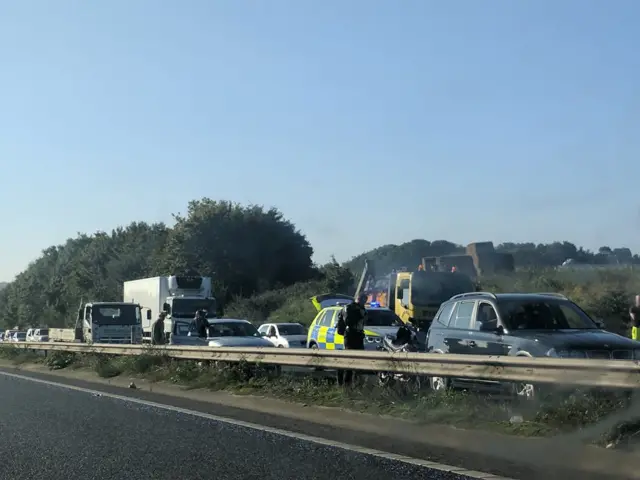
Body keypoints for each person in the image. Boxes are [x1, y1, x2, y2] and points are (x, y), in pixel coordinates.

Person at [336, 293, 368, 387]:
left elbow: (364, 321)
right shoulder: (349, 308)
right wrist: (359, 315)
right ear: (357, 299)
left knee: (359, 361)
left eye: (365, 300)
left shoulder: (362, 309)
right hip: (350, 335)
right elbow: (348, 321)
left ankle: (357, 384)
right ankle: (346, 384)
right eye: (362, 299)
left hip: (359, 335)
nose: (363, 302)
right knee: (349, 360)